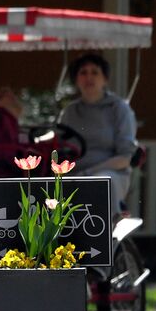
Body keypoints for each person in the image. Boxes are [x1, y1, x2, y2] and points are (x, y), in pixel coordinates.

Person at [58, 52, 138, 211]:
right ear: (76, 79)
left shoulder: (119, 108)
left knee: (101, 183)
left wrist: (88, 173)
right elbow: (58, 144)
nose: (89, 77)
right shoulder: (69, 111)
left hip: (110, 174)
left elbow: (125, 157)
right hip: (72, 175)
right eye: (83, 72)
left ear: (105, 79)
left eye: (95, 72)